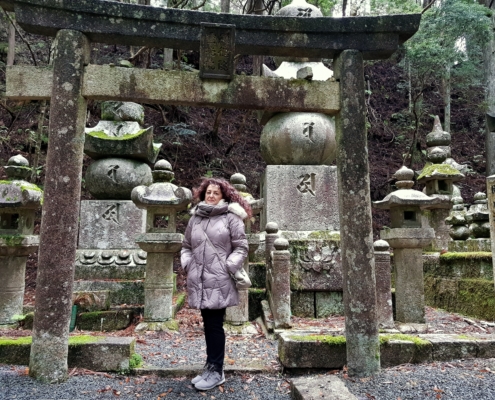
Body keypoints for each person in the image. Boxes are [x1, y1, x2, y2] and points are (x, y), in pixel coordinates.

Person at [181, 177, 251, 391]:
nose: (211, 196)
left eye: (216, 193)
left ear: (224, 196)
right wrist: (187, 265)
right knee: (208, 323)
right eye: (208, 192)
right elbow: (186, 246)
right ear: (203, 194)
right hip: (199, 278)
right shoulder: (196, 218)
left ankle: (217, 371)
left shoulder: (231, 217)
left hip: (219, 278)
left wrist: (228, 267)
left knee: (214, 324)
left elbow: (241, 247)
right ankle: (210, 367)